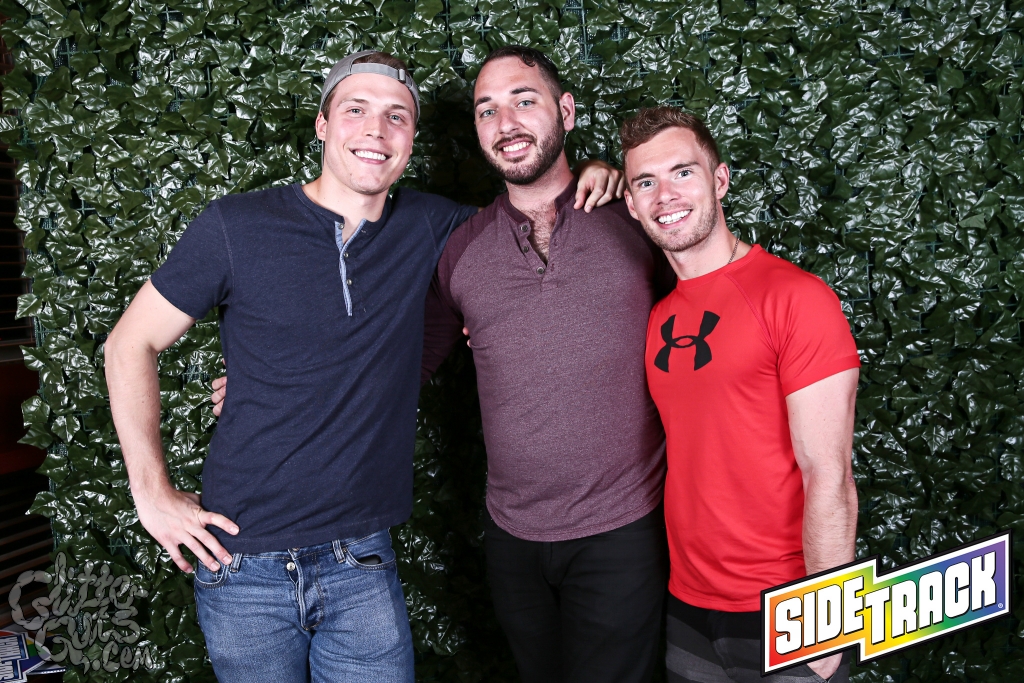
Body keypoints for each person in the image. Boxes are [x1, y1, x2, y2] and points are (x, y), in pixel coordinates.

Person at [104, 49, 620, 683]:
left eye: (396, 116)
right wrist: (152, 495)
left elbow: (533, 205)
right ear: (323, 125)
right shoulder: (236, 226)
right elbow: (128, 344)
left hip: (362, 562)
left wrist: (598, 173)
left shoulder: (435, 226)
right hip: (240, 565)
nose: (376, 130)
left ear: (412, 140)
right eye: (356, 110)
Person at [421, 47, 674, 683]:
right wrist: (276, 389)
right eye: (487, 110)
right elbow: (405, 364)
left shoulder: (635, 219)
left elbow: (710, 312)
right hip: (512, 537)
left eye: (524, 101)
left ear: (565, 111)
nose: (505, 123)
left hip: (623, 528)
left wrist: (615, 175)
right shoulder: (462, 249)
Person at [620, 106, 860, 683]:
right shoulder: (658, 316)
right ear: (629, 204)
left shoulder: (795, 298)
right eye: (645, 182)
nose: (665, 196)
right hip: (688, 606)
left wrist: (826, 623)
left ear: (720, 179)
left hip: (788, 607)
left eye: (683, 173)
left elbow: (830, 475)